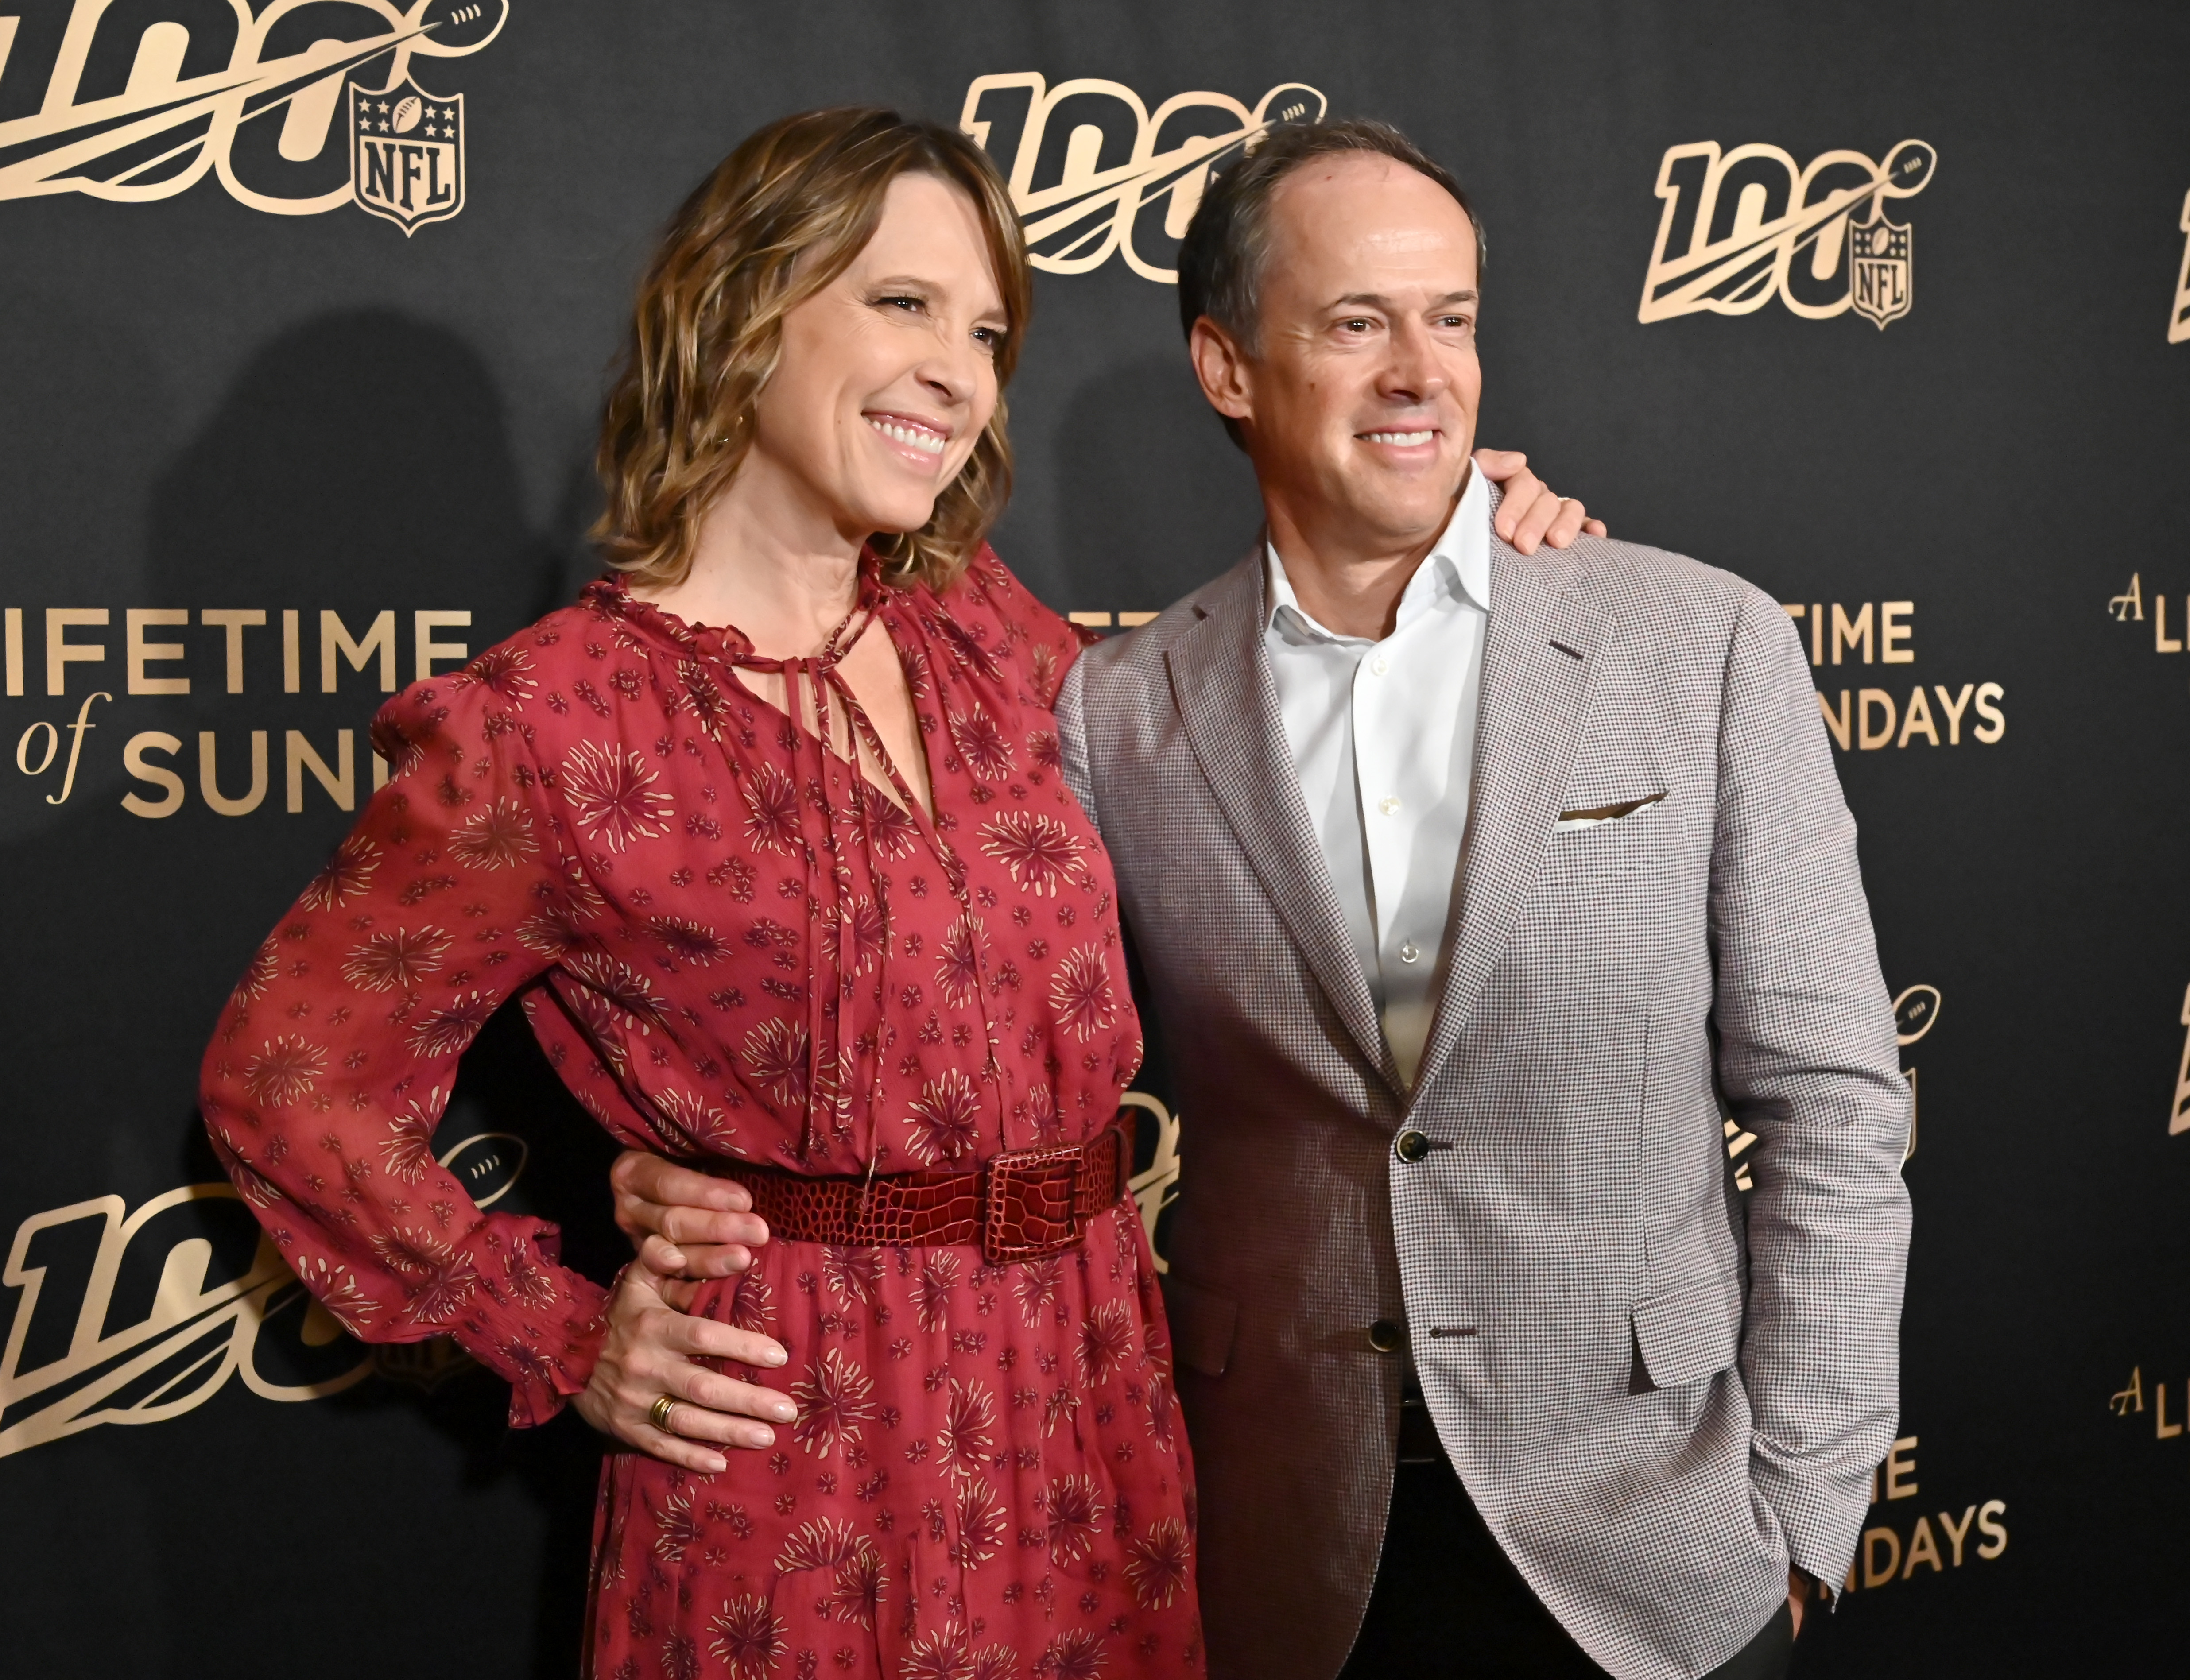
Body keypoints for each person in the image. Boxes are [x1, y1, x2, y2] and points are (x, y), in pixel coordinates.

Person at [198, 106, 1585, 1678]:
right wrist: (563, 1329)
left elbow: (1276, 777)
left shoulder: (989, 638)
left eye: (986, 328)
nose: (957, 368)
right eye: (901, 303)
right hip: (802, 1454)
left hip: (1090, 1404)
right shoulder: (548, 726)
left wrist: (1446, 556)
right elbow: (290, 1078)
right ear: (740, 308)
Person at [622, 119, 1912, 1680]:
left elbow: (1832, 1099)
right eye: (1356, 323)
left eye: (1448, 320)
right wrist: (699, 1173)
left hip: (1656, 1548)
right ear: (1228, 370)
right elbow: (964, 1016)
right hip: (1285, 1544)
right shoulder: (1110, 708)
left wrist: (1804, 1511)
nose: (1418, 371)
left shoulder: (1693, 644)